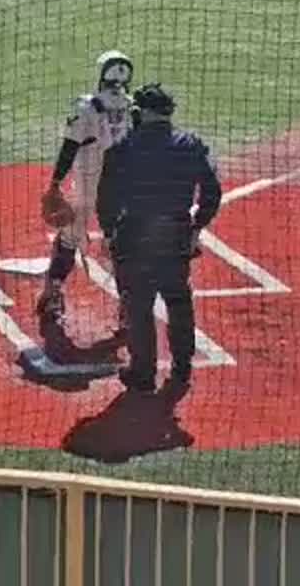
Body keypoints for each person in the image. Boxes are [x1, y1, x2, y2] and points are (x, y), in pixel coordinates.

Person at [96, 83, 222, 393]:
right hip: (176, 237)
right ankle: (182, 369)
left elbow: (106, 199)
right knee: (178, 303)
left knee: (138, 307)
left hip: (134, 239)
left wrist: (109, 232)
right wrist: (196, 227)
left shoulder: (123, 148)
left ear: (141, 112)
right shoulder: (190, 145)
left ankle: (143, 374)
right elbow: (212, 192)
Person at [37, 50, 135, 332]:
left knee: (69, 238)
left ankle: (53, 293)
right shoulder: (134, 107)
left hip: (86, 187)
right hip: (121, 188)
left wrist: (55, 183)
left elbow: (69, 148)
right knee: (120, 245)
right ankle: (128, 308)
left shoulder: (86, 107)